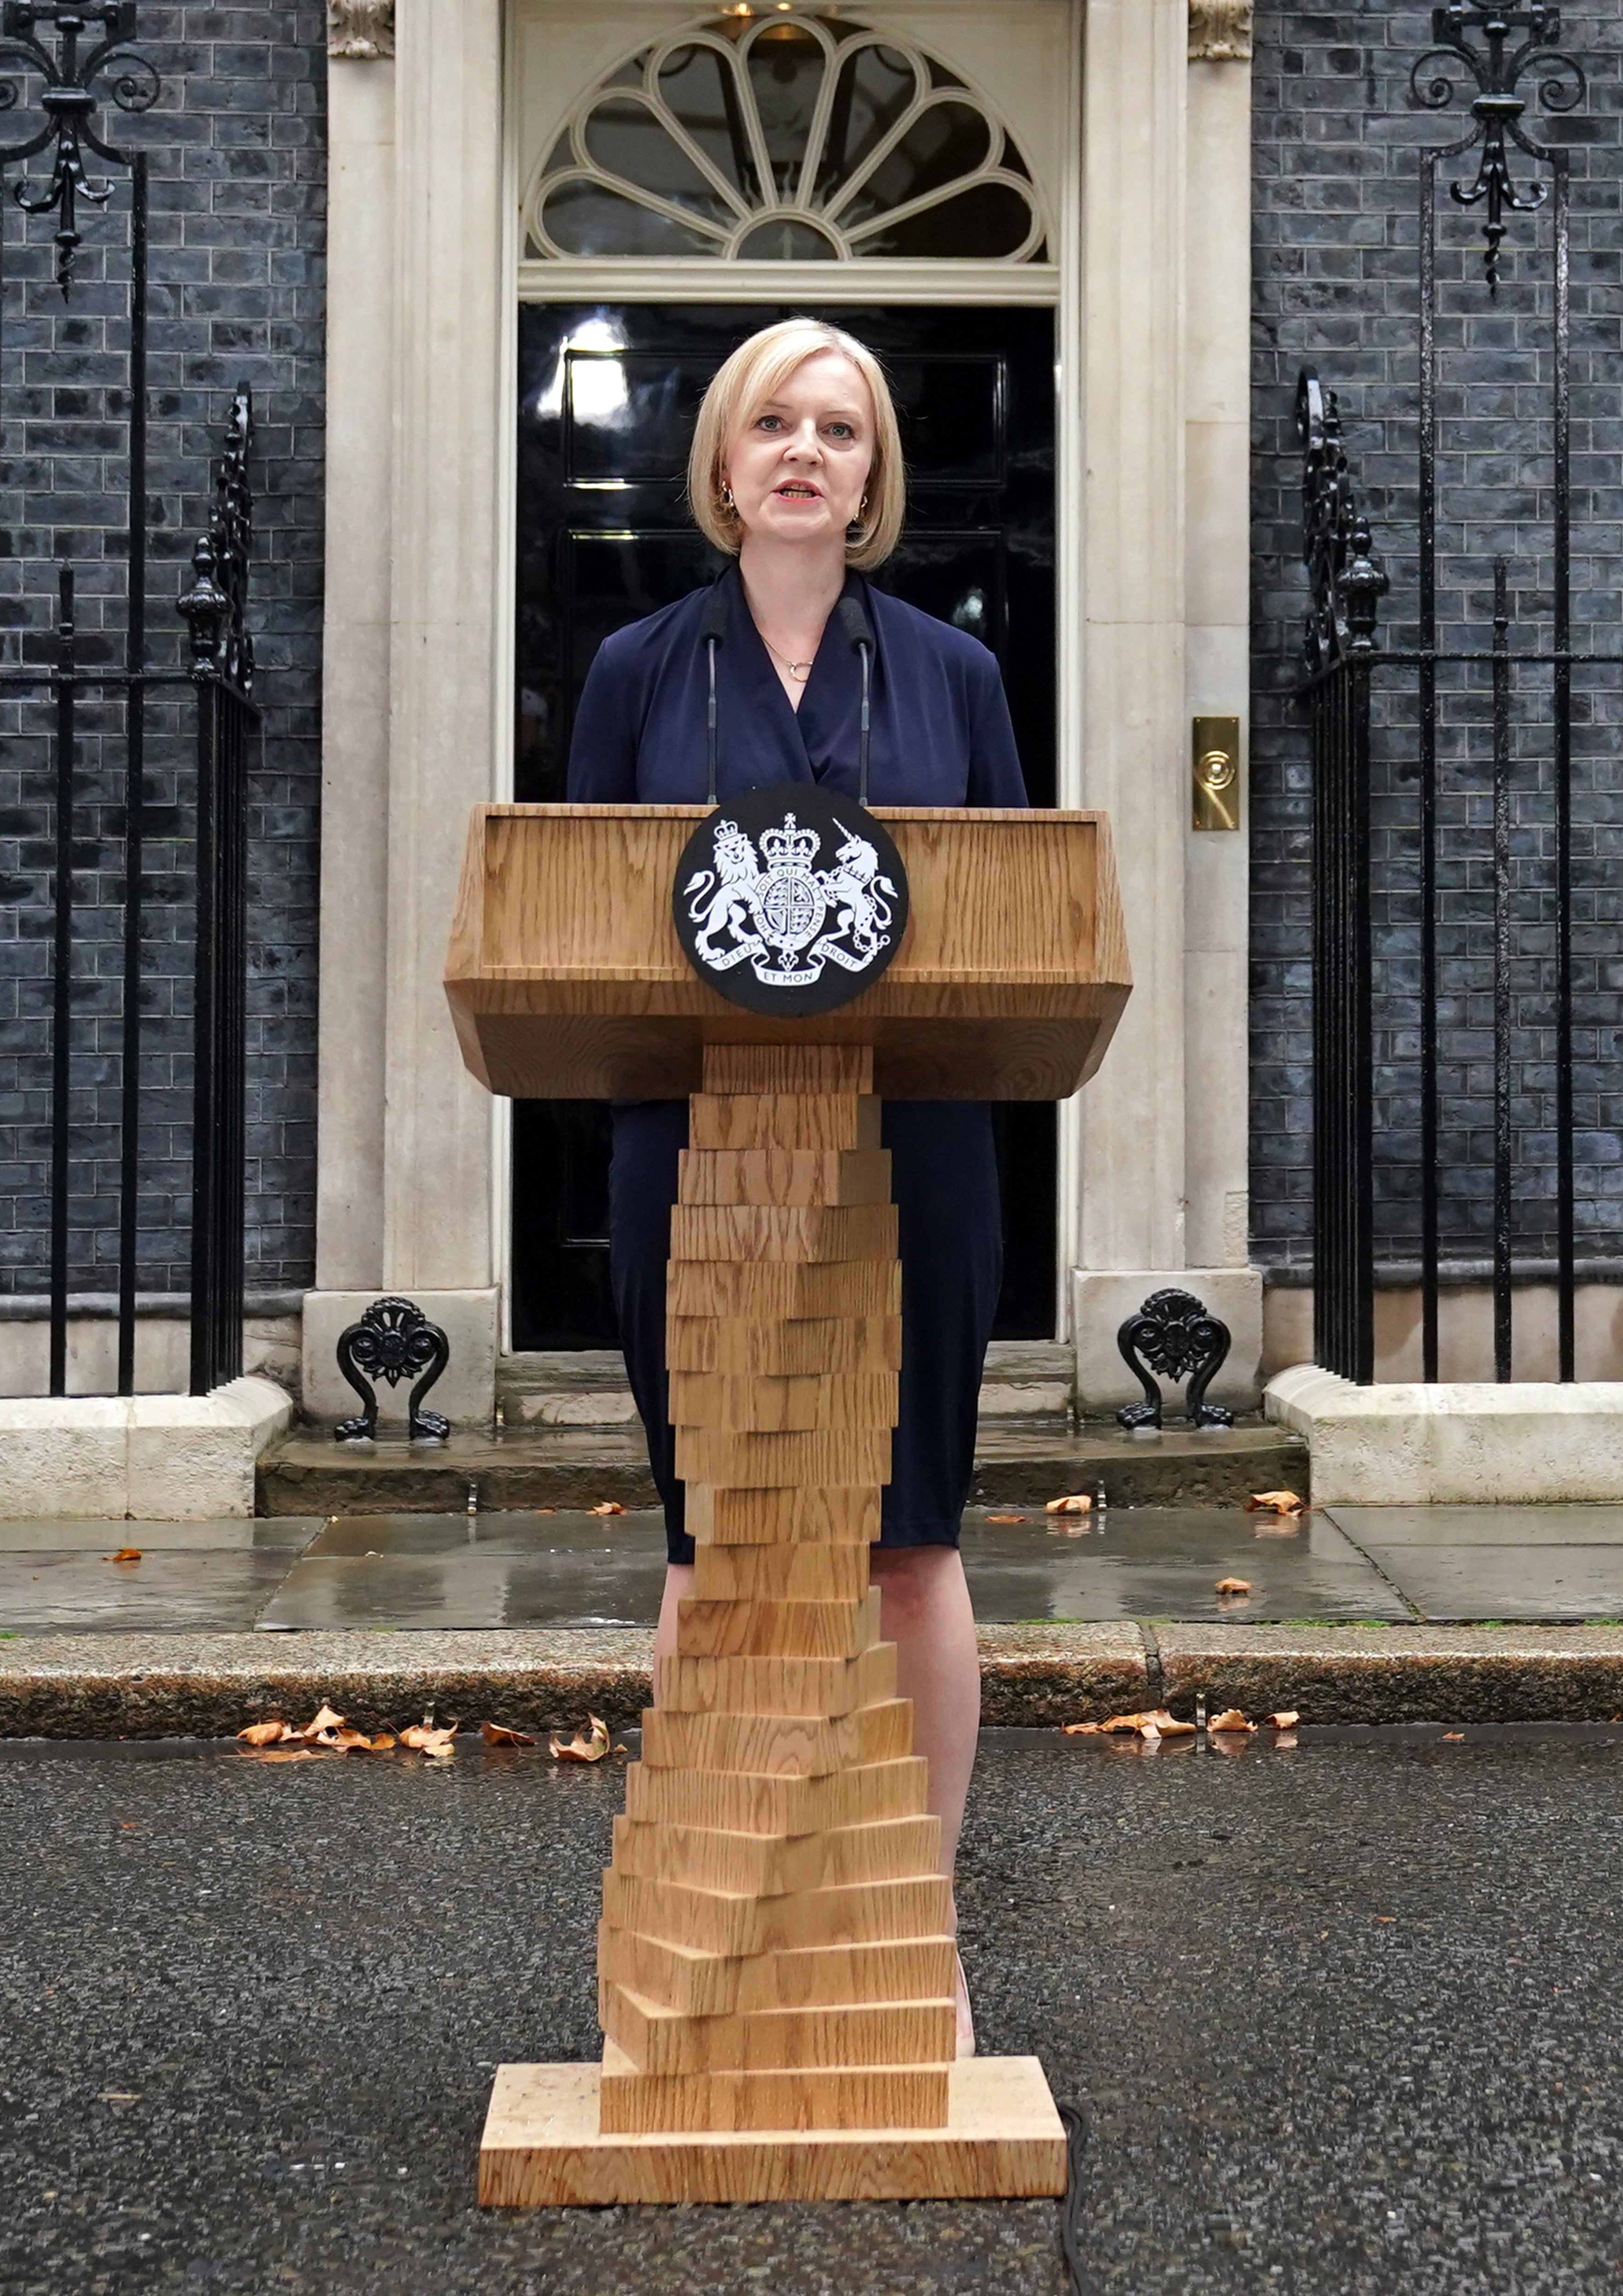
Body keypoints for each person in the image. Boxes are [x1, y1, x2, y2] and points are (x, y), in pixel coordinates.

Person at [565, 316, 1027, 2055]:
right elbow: (589, 918)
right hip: (697, 1155)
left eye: (841, 427)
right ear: (726, 460)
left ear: (875, 476)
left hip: (913, 1158)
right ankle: (709, 1950)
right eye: (776, 420)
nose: (806, 452)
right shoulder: (636, 672)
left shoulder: (955, 678)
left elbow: (1005, 923)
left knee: (908, 1548)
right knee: (717, 1554)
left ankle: (914, 1935)